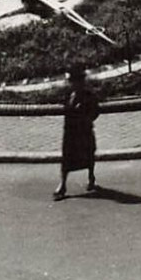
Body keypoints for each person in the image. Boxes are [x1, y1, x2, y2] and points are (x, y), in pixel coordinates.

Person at [54, 66, 100, 200]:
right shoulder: (69, 94)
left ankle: (91, 177)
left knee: (88, 156)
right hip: (70, 132)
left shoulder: (88, 95)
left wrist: (85, 117)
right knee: (66, 158)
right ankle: (62, 185)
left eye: (73, 81)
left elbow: (95, 112)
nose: (71, 84)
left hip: (83, 132)